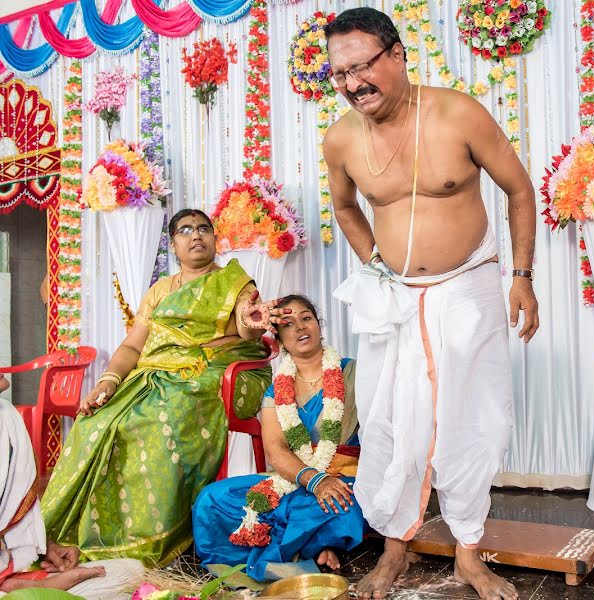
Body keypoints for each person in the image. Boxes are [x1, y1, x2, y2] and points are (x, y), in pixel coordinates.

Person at [322, 8, 538, 600]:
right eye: (338, 73)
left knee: (471, 423)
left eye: (361, 66)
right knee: (389, 422)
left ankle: (469, 553)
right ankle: (396, 552)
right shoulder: (341, 137)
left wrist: (522, 277)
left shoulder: (456, 113)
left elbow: (519, 189)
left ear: (396, 54)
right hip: (395, 297)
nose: (351, 83)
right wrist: (374, 265)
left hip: (467, 287)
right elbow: (345, 207)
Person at [40, 209, 285, 567]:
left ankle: (153, 535)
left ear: (215, 239)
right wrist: (107, 382)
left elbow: (248, 331)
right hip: (154, 375)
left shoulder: (235, 283)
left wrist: (251, 322)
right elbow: (132, 347)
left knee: (156, 421)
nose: (196, 236)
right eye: (186, 230)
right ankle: (85, 531)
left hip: (212, 373)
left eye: (204, 229)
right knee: (95, 423)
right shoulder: (160, 290)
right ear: (174, 245)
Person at [192, 295, 364, 582]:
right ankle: (313, 548)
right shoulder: (275, 392)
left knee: (344, 504)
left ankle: (307, 548)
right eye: (288, 323)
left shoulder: (352, 372)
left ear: (319, 326)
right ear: (280, 340)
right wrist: (314, 479)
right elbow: (276, 450)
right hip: (297, 477)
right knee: (212, 499)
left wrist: (330, 480)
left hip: (345, 475)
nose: (299, 327)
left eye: (306, 318)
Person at [1, 377, 144, 599]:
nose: (3, 374)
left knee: (133, 568)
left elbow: (9, 507)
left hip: (7, 569)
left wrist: (41, 544)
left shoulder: (5, 415)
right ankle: (21, 589)